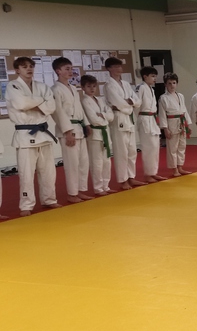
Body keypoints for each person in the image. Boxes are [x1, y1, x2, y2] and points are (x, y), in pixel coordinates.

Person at [6, 56, 61, 216]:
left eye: (31, 66)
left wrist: (33, 104)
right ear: (17, 70)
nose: (29, 69)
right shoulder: (13, 85)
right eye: (24, 67)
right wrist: (41, 102)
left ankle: (49, 199)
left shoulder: (42, 86)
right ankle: (26, 205)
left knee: (49, 172)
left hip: (43, 134)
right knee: (26, 173)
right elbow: (21, 104)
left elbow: (51, 107)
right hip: (25, 135)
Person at [51, 56, 92, 202]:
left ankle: (81, 190)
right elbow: (58, 112)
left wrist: (86, 124)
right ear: (58, 71)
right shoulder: (55, 89)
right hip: (68, 130)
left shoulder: (74, 88)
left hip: (79, 128)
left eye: (71, 68)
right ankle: (72, 193)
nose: (71, 71)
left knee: (83, 162)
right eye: (67, 69)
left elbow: (79, 108)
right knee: (72, 164)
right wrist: (67, 132)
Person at [104, 57, 144, 190]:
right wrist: (129, 104)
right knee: (121, 152)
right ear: (109, 69)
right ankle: (123, 180)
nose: (118, 69)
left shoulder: (126, 84)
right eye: (115, 66)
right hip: (118, 119)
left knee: (132, 150)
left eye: (119, 66)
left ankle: (131, 177)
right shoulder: (109, 85)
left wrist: (130, 102)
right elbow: (118, 103)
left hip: (129, 119)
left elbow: (138, 101)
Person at [80, 75, 116, 196]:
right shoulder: (84, 101)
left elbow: (111, 116)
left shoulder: (101, 100)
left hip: (105, 132)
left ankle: (106, 185)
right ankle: (98, 188)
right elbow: (93, 119)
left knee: (107, 161)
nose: (92, 89)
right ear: (83, 87)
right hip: (94, 135)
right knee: (97, 162)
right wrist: (104, 117)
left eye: (94, 86)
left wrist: (103, 115)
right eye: (88, 86)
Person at [135, 66, 166, 183]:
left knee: (155, 147)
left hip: (152, 119)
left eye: (155, 76)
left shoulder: (151, 89)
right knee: (148, 147)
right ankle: (148, 174)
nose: (155, 78)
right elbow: (136, 105)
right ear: (145, 76)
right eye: (152, 76)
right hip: (144, 118)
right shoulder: (140, 88)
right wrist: (137, 120)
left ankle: (153, 172)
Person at [158, 72, 193, 177]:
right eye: (169, 83)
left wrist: (188, 125)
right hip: (171, 123)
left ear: (177, 84)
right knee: (172, 147)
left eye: (174, 83)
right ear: (165, 84)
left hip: (182, 122)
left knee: (182, 146)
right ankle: (174, 169)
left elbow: (184, 110)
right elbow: (162, 114)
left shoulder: (180, 96)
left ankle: (180, 167)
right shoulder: (163, 98)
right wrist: (165, 129)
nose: (172, 85)